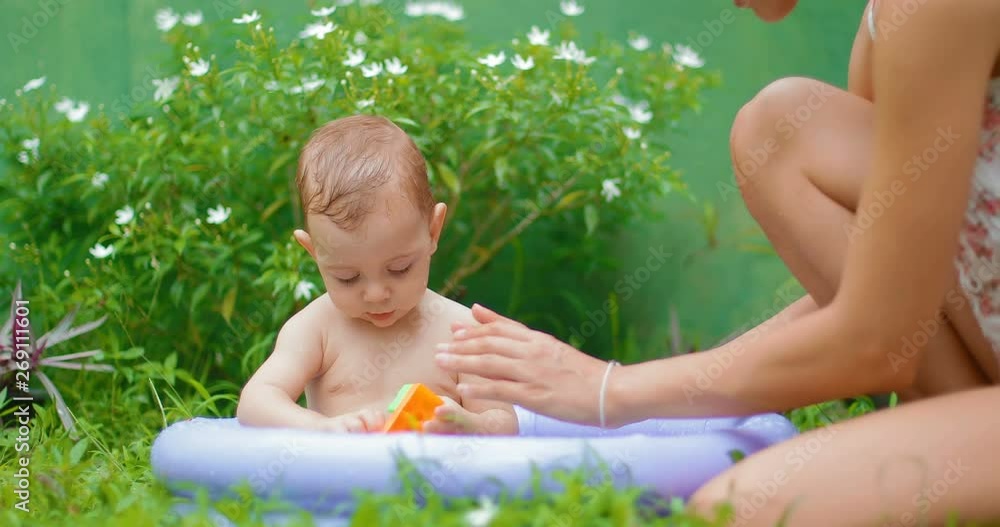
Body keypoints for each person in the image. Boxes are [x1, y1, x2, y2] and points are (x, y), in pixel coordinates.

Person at [434, 0, 1000, 524]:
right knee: (780, 128)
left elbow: (877, 339)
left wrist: (612, 390)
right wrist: (610, 388)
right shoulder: (886, 25)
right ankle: (950, 426)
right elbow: (890, 293)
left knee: (738, 508)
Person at [237, 115, 517, 436]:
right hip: (346, 484)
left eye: (399, 269)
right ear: (314, 252)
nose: (376, 294)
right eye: (347, 277)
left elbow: (504, 422)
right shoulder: (316, 329)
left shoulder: (462, 333)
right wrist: (320, 427)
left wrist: (469, 424)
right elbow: (256, 401)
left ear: (433, 231)